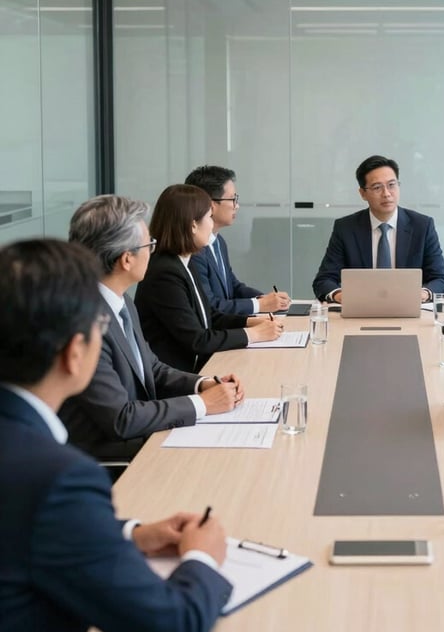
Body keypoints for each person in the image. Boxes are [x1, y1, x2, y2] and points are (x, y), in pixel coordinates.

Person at [0, 238, 232, 632]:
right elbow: (171, 631)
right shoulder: (57, 479)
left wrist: (128, 533)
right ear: (74, 353)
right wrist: (202, 558)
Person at [60, 195, 246, 463]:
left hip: (142, 438)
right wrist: (204, 404)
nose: (153, 251)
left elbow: (152, 369)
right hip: (111, 461)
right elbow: (121, 419)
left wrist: (203, 384)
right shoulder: (84, 322)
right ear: (126, 259)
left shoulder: (120, 300)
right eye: (149, 244)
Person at [135, 184, 282, 372]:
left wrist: (250, 322)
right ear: (193, 225)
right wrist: (253, 334)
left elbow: (209, 316)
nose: (212, 225)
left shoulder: (184, 261)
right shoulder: (165, 272)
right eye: (209, 217)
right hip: (177, 377)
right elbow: (198, 339)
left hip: (198, 367)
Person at [312, 154, 444, 303]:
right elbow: (324, 280)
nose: (386, 194)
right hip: (361, 310)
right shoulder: (346, 228)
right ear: (363, 193)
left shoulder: (422, 226)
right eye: (377, 187)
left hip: (408, 311)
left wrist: (423, 294)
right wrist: (341, 296)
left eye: (391, 185)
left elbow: (441, 279)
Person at [185, 165, 291, 315]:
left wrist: (265, 299)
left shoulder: (218, 241)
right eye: (233, 199)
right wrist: (260, 305)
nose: (237, 206)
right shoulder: (192, 250)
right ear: (211, 204)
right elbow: (209, 306)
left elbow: (233, 287)